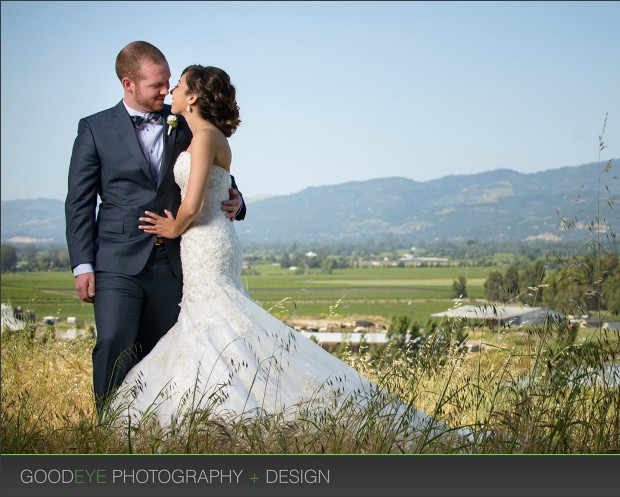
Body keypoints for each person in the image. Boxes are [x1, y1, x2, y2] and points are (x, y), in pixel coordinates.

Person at [112, 64, 460, 447]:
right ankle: (212, 413)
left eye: (177, 86)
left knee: (215, 322)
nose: (172, 92)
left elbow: (192, 205)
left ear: (192, 97)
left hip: (205, 240)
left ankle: (231, 414)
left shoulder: (207, 137)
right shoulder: (204, 135)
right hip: (210, 241)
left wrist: (171, 228)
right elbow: (214, 188)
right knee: (212, 324)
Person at [65, 41, 247, 414]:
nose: (166, 91)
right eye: (156, 85)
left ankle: (153, 428)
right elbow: (80, 201)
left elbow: (216, 173)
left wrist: (237, 199)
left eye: (169, 82)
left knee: (164, 346)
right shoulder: (95, 129)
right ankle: (108, 427)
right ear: (128, 84)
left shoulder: (187, 121)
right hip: (117, 259)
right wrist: (82, 264)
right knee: (114, 340)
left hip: (175, 260)